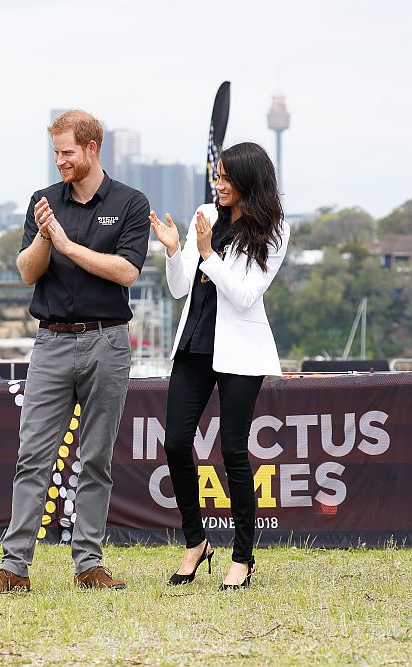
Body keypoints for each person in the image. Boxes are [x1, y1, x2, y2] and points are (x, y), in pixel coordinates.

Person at [0, 110, 150, 593]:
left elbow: (127, 272)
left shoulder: (131, 203)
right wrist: (48, 240)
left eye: (67, 152)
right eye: (55, 153)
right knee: (33, 456)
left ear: (93, 148)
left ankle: (88, 564)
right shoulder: (43, 202)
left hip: (107, 341)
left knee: (96, 459)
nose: (59, 162)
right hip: (50, 341)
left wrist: (69, 246)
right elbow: (28, 272)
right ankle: (13, 568)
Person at [149, 141, 289, 590]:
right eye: (218, 175)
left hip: (240, 351)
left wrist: (210, 255)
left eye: (228, 177)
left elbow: (246, 294)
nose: (219, 183)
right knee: (174, 443)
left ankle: (243, 557)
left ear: (249, 180)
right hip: (194, 343)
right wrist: (174, 251)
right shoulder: (205, 213)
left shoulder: (274, 229)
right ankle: (196, 542)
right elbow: (178, 289)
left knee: (233, 450)